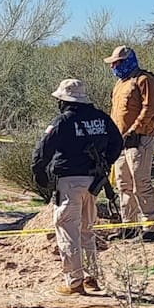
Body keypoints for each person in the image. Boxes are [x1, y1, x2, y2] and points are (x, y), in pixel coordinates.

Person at [32, 79, 123, 295]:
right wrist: (106, 162)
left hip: (69, 181)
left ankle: (74, 281)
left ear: (64, 100)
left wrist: (39, 174)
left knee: (67, 230)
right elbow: (117, 142)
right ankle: (92, 277)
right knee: (86, 230)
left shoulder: (63, 121)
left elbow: (42, 150)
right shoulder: (101, 118)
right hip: (93, 183)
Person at [102, 45, 154, 241]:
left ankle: (150, 228)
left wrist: (134, 130)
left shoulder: (144, 80)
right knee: (123, 185)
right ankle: (128, 227)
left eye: (117, 62)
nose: (114, 67)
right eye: (112, 63)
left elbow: (149, 109)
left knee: (141, 184)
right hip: (120, 142)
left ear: (128, 61)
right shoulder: (120, 84)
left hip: (140, 140)